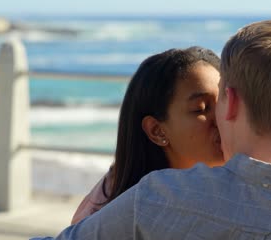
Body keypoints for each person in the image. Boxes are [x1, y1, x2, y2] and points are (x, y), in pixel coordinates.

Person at [32, 20, 271, 240]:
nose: (213, 121)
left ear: (232, 103)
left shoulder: (156, 201)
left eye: (218, 100)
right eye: (199, 109)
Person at [71, 46, 225, 224]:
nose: (221, 118)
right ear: (156, 131)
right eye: (202, 108)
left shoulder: (225, 188)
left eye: (224, 101)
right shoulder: (125, 217)